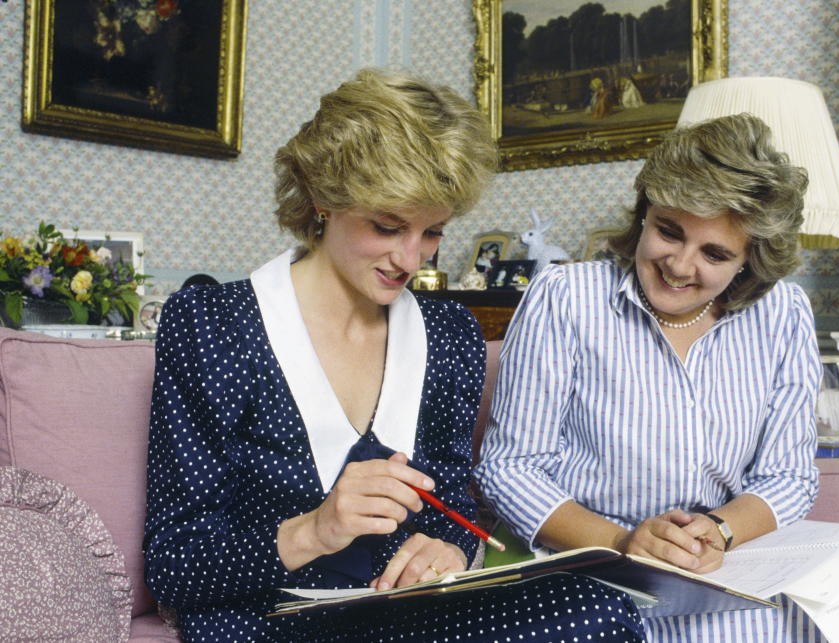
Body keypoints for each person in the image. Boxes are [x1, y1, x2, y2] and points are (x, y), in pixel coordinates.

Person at [144, 68, 645, 642]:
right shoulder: (212, 325)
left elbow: (452, 511)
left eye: (433, 231)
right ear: (323, 198)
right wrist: (315, 530)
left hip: (407, 618)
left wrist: (450, 550)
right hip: (269, 622)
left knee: (599, 605)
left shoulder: (450, 332)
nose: (411, 259)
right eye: (388, 226)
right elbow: (172, 565)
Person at [476, 113, 824, 642]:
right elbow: (509, 469)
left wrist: (720, 531)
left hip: (722, 569)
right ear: (644, 214)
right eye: (669, 231)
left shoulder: (783, 313)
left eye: (715, 253)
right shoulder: (565, 297)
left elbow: (789, 476)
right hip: (590, 567)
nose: (681, 266)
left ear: (750, 262)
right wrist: (624, 543)